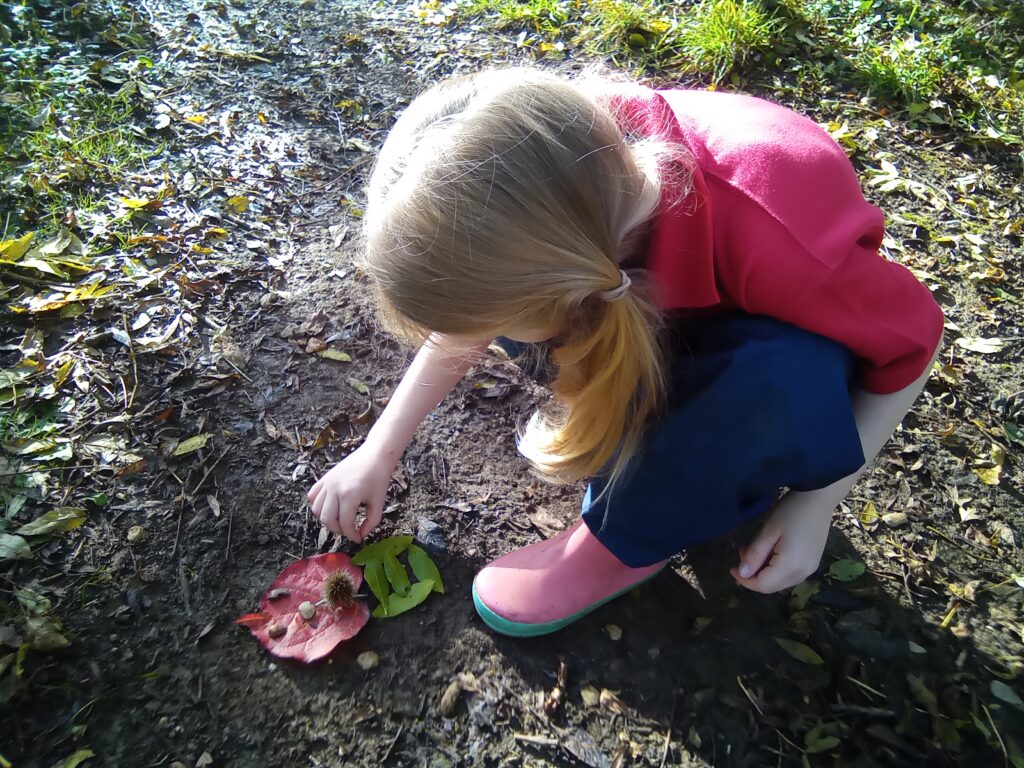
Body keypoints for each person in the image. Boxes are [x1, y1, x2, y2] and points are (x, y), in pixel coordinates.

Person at [306, 67, 944, 637]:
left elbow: (914, 344)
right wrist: (379, 450)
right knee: (513, 308)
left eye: (502, 318)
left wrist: (818, 501)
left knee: (779, 377)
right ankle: (640, 407)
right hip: (636, 290)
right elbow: (474, 307)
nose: (482, 334)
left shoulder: (777, 248)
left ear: (561, 289)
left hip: (765, 331)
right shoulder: (554, 176)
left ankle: (628, 540)